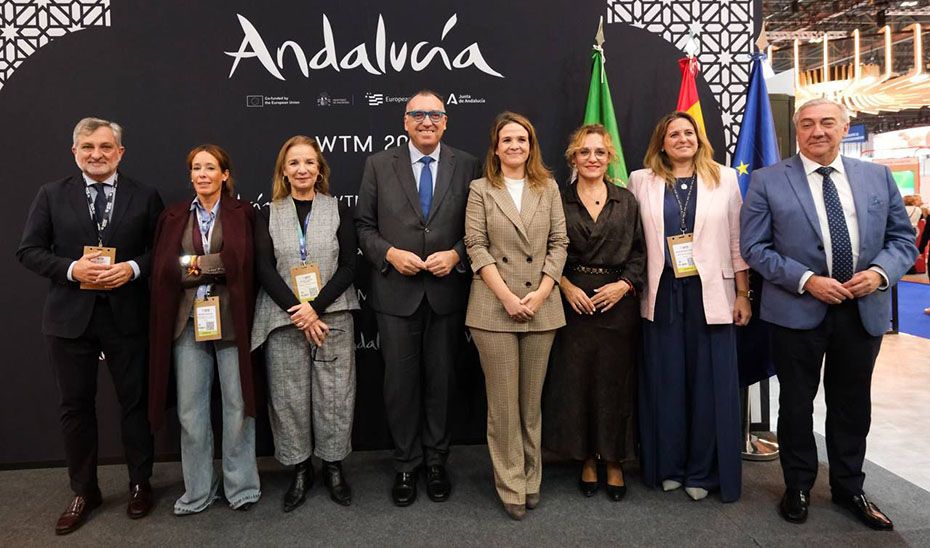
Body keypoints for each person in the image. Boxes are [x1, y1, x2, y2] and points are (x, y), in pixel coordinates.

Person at [741, 98, 916, 530]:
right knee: (796, 405)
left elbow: (902, 240)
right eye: (807, 124)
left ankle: (849, 487)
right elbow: (754, 247)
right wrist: (806, 280)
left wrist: (879, 273)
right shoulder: (767, 180)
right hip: (796, 309)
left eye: (826, 123)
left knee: (852, 404)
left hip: (861, 311)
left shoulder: (877, 177)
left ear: (844, 126)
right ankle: (798, 486)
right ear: (796, 130)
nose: (817, 131)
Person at [16, 117, 163, 535]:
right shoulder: (51, 194)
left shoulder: (144, 195)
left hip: (127, 315)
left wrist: (132, 269)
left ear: (120, 152)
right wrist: (71, 269)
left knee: (134, 404)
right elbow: (28, 250)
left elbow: (162, 250)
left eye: (105, 147)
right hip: (69, 318)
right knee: (75, 407)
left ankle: (140, 483)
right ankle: (84, 490)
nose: (96, 154)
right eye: (87, 147)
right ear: (75, 152)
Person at [355, 90, 482, 506]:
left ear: (445, 122)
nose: (427, 121)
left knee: (442, 383)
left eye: (435, 115)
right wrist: (389, 254)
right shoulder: (378, 165)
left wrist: (457, 255)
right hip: (396, 294)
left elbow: (480, 225)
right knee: (400, 386)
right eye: (418, 114)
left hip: (447, 294)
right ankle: (407, 464)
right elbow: (363, 226)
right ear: (405, 122)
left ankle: (436, 462)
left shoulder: (467, 165)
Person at [628, 111, 751, 503]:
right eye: (673, 134)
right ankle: (668, 466)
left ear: (699, 138)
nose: (682, 139)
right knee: (665, 381)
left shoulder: (725, 178)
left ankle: (702, 471)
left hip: (711, 293)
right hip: (662, 292)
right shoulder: (640, 180)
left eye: (688, 132)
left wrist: (743, 293)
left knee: (708, 384)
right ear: (661, 143)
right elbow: (633, 240)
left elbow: (737, 241)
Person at [464, 111, 568, 520]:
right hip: (494, 308)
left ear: (531, 146)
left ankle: (531, 477)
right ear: (495, 148)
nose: (514, 146)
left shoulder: (549, 187)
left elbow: (559, 243)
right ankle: (510, 484)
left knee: (530, 405)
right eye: (507, 140)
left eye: (521, 139)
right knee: (504, 407)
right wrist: (508, 297)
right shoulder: (480, 189)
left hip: (542, 307)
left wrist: (540, 293)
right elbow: (475, 245)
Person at [148, 144, 261, 514]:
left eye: (210, 168)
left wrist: (194, 265)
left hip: (231, 321)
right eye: (196, 168)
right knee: (190, 411)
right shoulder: (173, 216)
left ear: (225, 175)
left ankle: (241, 487)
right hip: (187, 321)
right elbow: (165, 269)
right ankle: (198, 490)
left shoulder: (243, 212)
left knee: (237, 405)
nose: (202, 174)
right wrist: (213, 265)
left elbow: (241, 263)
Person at [251, 136, 360, 511]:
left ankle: (333, 467)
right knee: (289, 397)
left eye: (309, 162)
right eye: (294, 163)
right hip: (284, 320)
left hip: (332, 317)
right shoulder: (268, 213)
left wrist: (315, 308)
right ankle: (300, 469)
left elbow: (350, 266)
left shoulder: (337, 210)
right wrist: (298, 310)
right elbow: (263, 268)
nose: (302, 169)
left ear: (319, 169)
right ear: (284, 170)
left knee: (335, 396)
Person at [542, 124, 645, 502]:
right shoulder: (557, 199)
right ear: (573, 157)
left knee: (614, 385)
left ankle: (614, 459)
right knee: (578, 383)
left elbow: (640, 253)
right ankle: (586, 457)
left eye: (599, 152)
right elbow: (545, 250)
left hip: (617, 305)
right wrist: (565, 286)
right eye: (584, 152)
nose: (592, 158)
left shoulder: (626, 200)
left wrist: (624, 286)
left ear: (609, 157)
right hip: (572, 303)